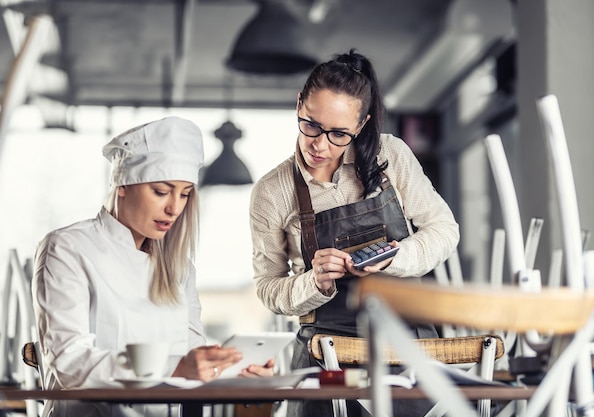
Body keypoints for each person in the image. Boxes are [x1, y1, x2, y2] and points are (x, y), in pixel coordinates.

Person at [249, 49, 460, 416]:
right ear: (299, 104)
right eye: (310, 124)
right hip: (324, 349)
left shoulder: (389, 155)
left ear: (360, 126)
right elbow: (268, 287)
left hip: (406, 345)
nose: (320, 145)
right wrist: (313, 282)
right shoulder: (272, 192)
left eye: (338, 134)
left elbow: (444, 230)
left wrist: (396, 257)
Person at [32, 116, 272, 417]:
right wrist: (176, 367)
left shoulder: (179, 267)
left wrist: (237, 372)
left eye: (184, 194)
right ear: (122, 184)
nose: (174, 208)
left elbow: (192, 357)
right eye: (161, 191)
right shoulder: (68, 248)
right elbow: (70, 364)